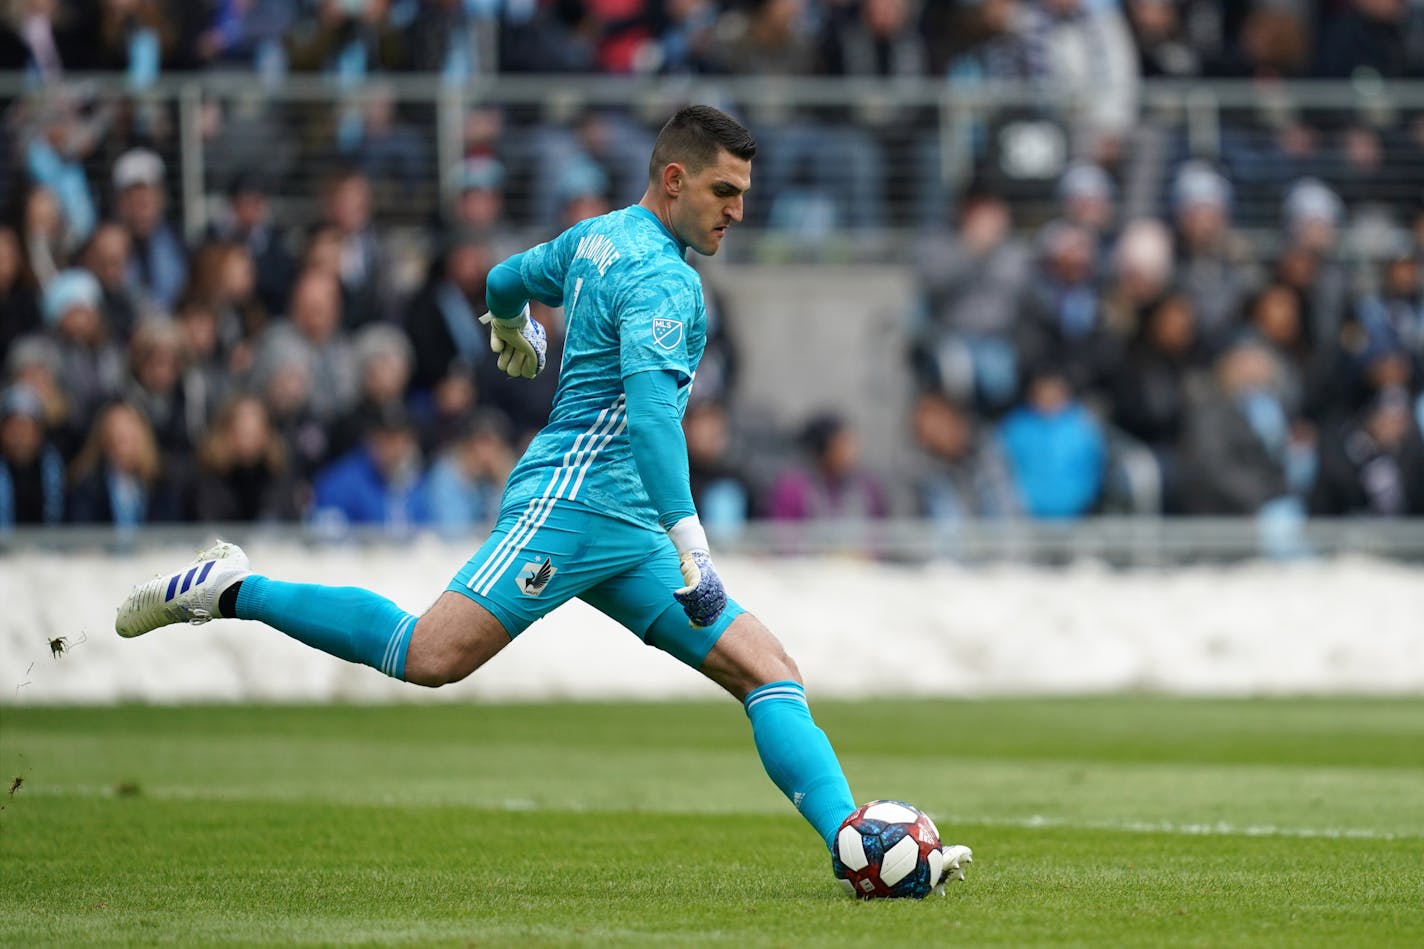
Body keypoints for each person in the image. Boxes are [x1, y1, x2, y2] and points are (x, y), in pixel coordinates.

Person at [114, 105, 971, 891]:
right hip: (571, 502)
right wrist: (694, 548)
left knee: (770, 672)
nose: (737, 210)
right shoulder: (667, 284)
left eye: (744, 193)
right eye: (724, 190)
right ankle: (231, 588)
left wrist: (512, 327)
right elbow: (649, 423)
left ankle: (854, 842)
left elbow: (502, 277)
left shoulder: (596, 237)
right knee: (428, 655)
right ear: (674, 179)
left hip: (626, 523)